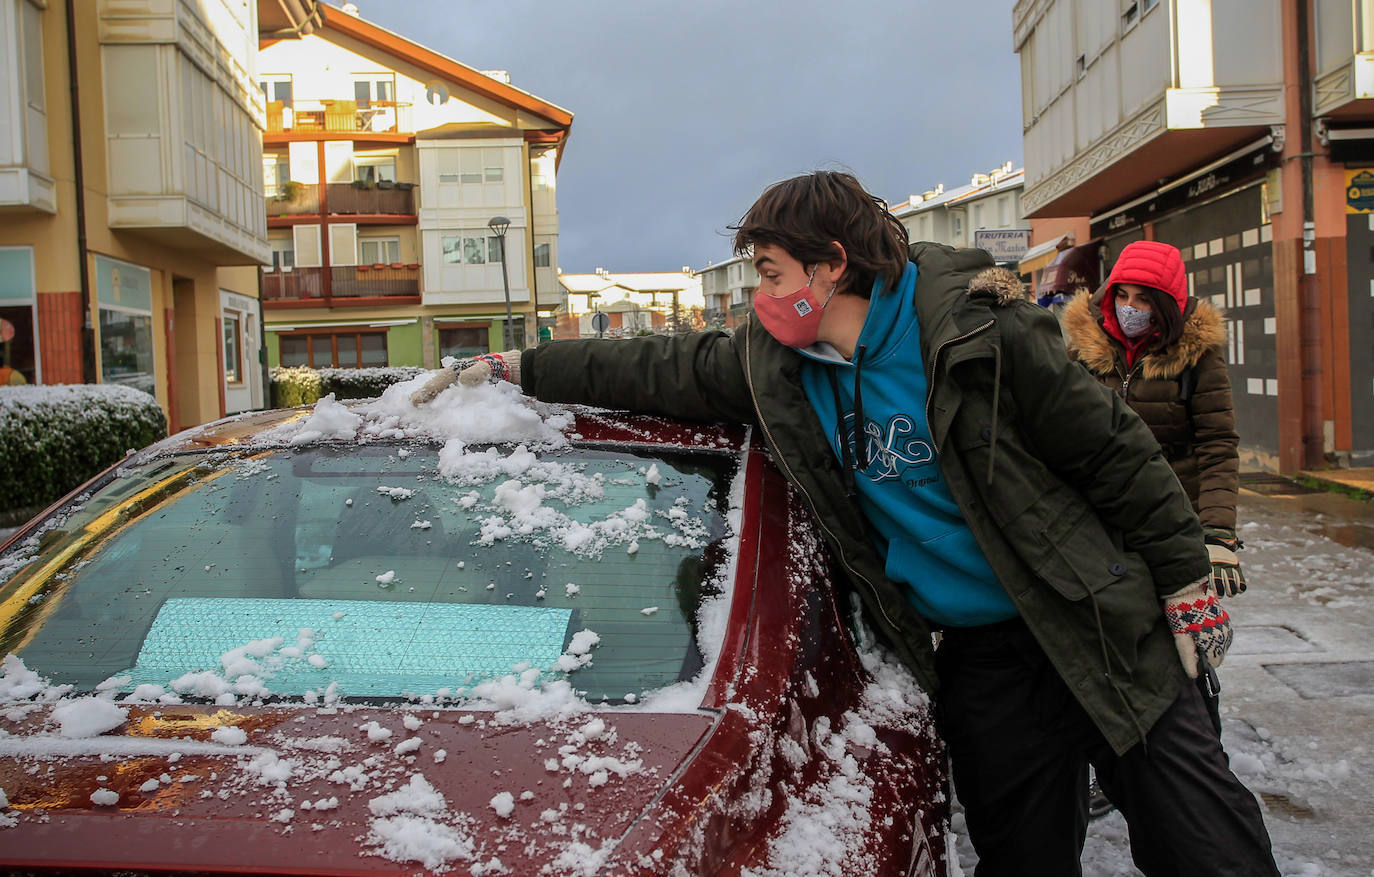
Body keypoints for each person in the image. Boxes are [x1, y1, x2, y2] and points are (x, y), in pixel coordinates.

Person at [412, 171, 1276, 875]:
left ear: (830, 267)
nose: (761, 294)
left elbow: (1112, 449)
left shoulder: (975, 330)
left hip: (1091, 619)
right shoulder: (776, 367)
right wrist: (518, 365)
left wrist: (1185, 575)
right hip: (981, 660)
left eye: (773, 272)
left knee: (1208, 844)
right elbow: (657, 365)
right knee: (1022, 860)